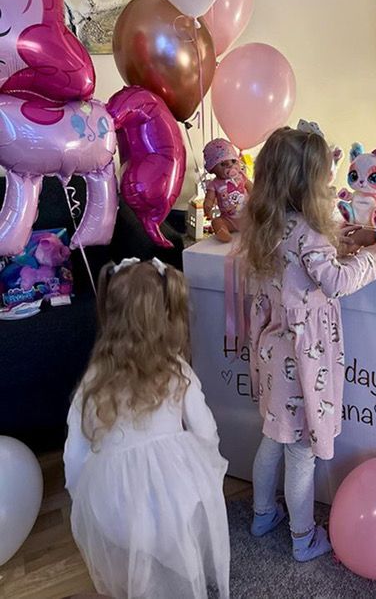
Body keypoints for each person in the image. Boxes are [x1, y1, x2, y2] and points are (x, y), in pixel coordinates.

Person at [239, 126, 376, 562]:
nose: (330, 181)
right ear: (309, 183)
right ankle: (303, 537)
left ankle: (262, 513)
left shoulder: (264, 226)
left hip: (273, 351)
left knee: (272, 438)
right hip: (304, 359)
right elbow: (336, 281)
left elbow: (297, 270)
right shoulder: (309, 234)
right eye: (326, 174)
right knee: (302, 450)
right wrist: (373, 258)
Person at [63, 257, 229, 599]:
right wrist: (211, 469)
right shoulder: (176, 370)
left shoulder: (94, 378)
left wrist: (83, 493)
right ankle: (174, 570)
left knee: (131, 545)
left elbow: (74, 451)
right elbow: (205, 430)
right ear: (166, 315)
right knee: (178, 524)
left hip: (115, 504)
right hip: (174, 496)